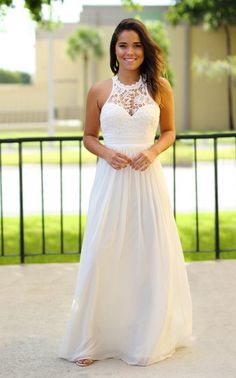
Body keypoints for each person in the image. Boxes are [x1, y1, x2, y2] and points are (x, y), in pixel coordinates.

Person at [58, 18, 193, 367]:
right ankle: (92, 338)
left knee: (147, 254)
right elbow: (89, 137)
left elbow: (169, 131)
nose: (130, 51)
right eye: (123, 45)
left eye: (136, 45)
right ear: (114, 50)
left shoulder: (161, 87)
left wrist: (151, 151)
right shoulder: (99, 91)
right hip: (112, 181)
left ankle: (144, 336)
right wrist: (105, 152)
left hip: (148, 182)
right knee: (104, 252)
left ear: (144, 49)